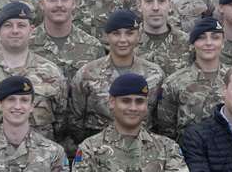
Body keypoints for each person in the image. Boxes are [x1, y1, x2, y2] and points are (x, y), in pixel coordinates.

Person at [0, 1, 68, 149]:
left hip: (40, 162)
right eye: (8, 25)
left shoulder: (52, 72)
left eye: (21, 25)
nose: (15, 31)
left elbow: (61, 122)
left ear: (31, 30)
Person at [68, 10, 164, 141]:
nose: (123, 40)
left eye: (129, 33)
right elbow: (75, 120)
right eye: (116, 34)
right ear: (107, 37)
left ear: (139, 35)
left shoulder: (155, 74)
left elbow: (161, 120)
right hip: (99, 150)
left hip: (143, 148)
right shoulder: (87, 74)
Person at [154, 17, 227, 141]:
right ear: (193, 44)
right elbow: (166, 131)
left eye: (215, 37)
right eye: (201, 37)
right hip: (188, 155)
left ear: (223, 42)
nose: (208, 43)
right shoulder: (174, 83)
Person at [32, 0, 106, 84]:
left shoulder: (93, 47)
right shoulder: (27, 45)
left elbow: (98, 91)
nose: (59, 5)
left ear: (74, 3)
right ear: (42, 4)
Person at [135, 0, 192, 77]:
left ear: (170, 5)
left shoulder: (188, 43)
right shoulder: (129, 42)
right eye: (149, 1)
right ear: (139, 6)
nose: (155, 7)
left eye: (161, 1)